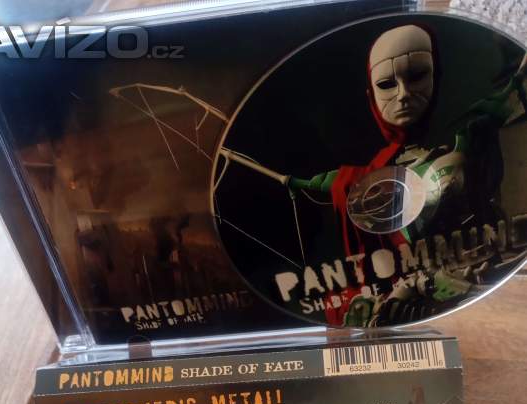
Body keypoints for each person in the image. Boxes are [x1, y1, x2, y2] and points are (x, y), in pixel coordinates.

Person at [221, 23, 527, 326]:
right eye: (387, 84)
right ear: (372, 94)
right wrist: (292, 183)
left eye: (416, 75)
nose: (403, 94)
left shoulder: (470, 132)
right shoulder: (359, 178)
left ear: (437, 75)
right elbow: (324, 184)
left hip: (492, 283)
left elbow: (510, 93)